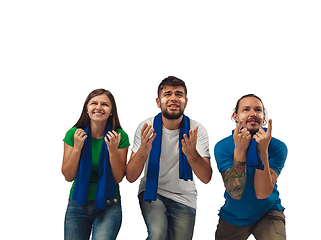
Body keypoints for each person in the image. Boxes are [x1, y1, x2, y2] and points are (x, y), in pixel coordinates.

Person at [126, 76, 212, 240]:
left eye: (179, 94)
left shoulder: (196, 130)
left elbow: (206, 177)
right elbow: (130, 176)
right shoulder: (146, 127)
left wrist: (192, 154)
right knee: (158, 234)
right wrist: (144, 149)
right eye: (168, 94)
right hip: (152, 191)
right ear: (158, 102)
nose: (173, 98)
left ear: (186, 101)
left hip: (185, 198)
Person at [214, 94, 288, 240]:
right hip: (234, 215)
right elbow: (235, 192)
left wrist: (263, 151)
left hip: (268, 212)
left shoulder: (278, 147)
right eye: (246, 109)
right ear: (235, 116)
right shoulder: (223, 147)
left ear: (264, 116)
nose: (253, 114)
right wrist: (240, 151)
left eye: (258, 110)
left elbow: (262, 193)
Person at [61, 89, 130, 240]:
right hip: (78, 202)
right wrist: (77, 148)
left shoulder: (119, 136)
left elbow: (118, 177)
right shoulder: (74, 134)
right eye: (94, 103)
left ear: (111, 111)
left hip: (109, 204)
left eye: (104, 104)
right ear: (87, 109)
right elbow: (68, 175)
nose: (98, 107)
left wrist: (112, 151)